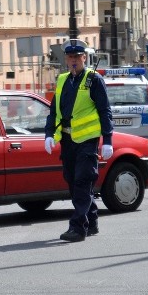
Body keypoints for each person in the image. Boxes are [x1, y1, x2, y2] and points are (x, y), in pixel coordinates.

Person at [44, 39, 114, 242]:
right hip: (67, 140)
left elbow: (104, 111)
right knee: (73, 183)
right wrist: (49, 134)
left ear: (84, 58)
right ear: (66, 59)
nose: (73, 61)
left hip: (87, 141)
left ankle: (78, 227)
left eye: (77, 57)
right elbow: (54, 111)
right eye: (70, 57)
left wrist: (108, 139)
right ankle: (91, 221)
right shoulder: (63, 80)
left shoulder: (93, 80)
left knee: (83, 182)